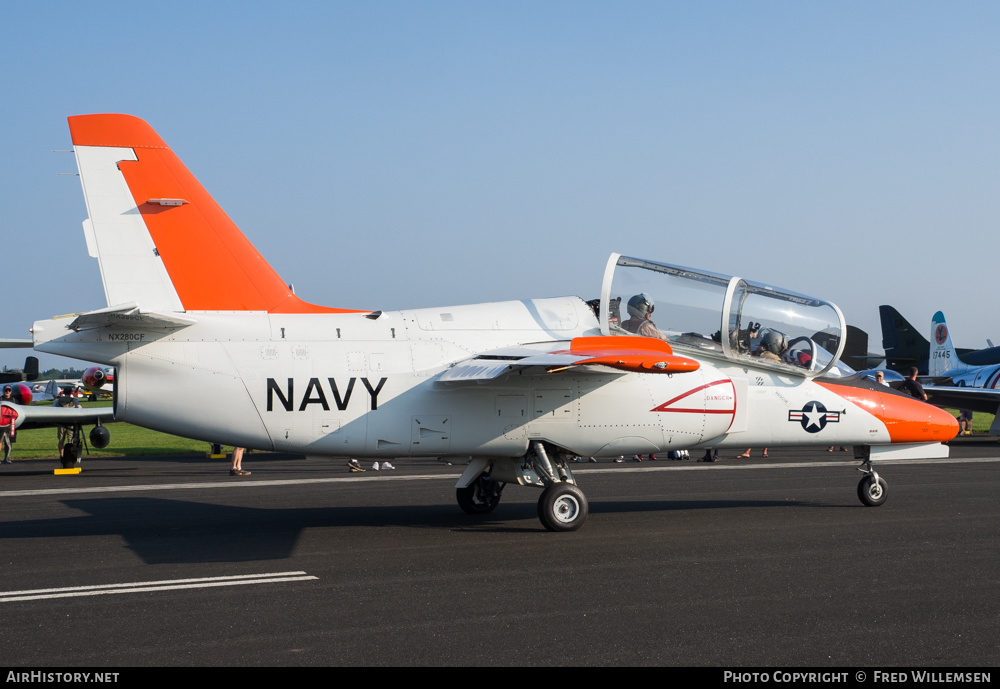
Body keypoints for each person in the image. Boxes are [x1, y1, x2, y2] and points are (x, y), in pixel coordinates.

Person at [53, 388, 81, 462]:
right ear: (71, 392)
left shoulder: (58, 400)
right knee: (70, 440)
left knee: (61, 440)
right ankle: (69, 455)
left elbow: (52, 408)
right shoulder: (73, 400)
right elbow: (79, 408)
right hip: (70, 422)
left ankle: (61, 455)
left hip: (61, 422)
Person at [0, 386, 17, 464]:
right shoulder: (0, 399)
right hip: (1, 425)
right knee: (0, 442)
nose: (7, 391)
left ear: (11, 391)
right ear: (3, 391)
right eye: (6, 390)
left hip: (11, 425)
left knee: (9, 442)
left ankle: (6, 458)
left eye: (9, 390)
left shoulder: (14, 400)